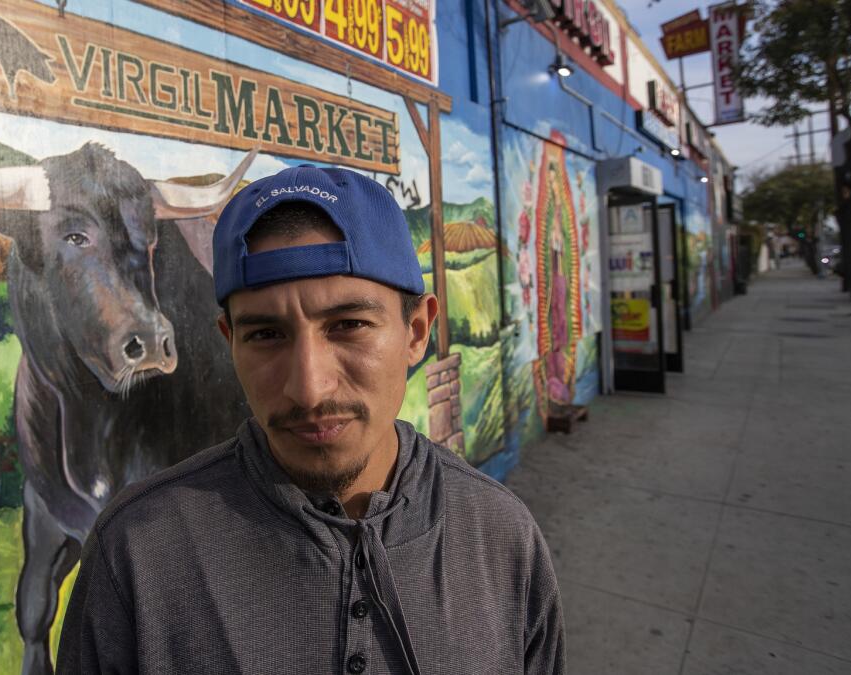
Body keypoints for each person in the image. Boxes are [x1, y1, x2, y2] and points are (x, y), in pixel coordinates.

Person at [57, 165, 565, 674]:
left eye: (349, 326)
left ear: (416, 331)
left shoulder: (501, 538)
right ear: (229, 342)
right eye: (266, 335)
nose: (308, 388)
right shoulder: (138, 555)